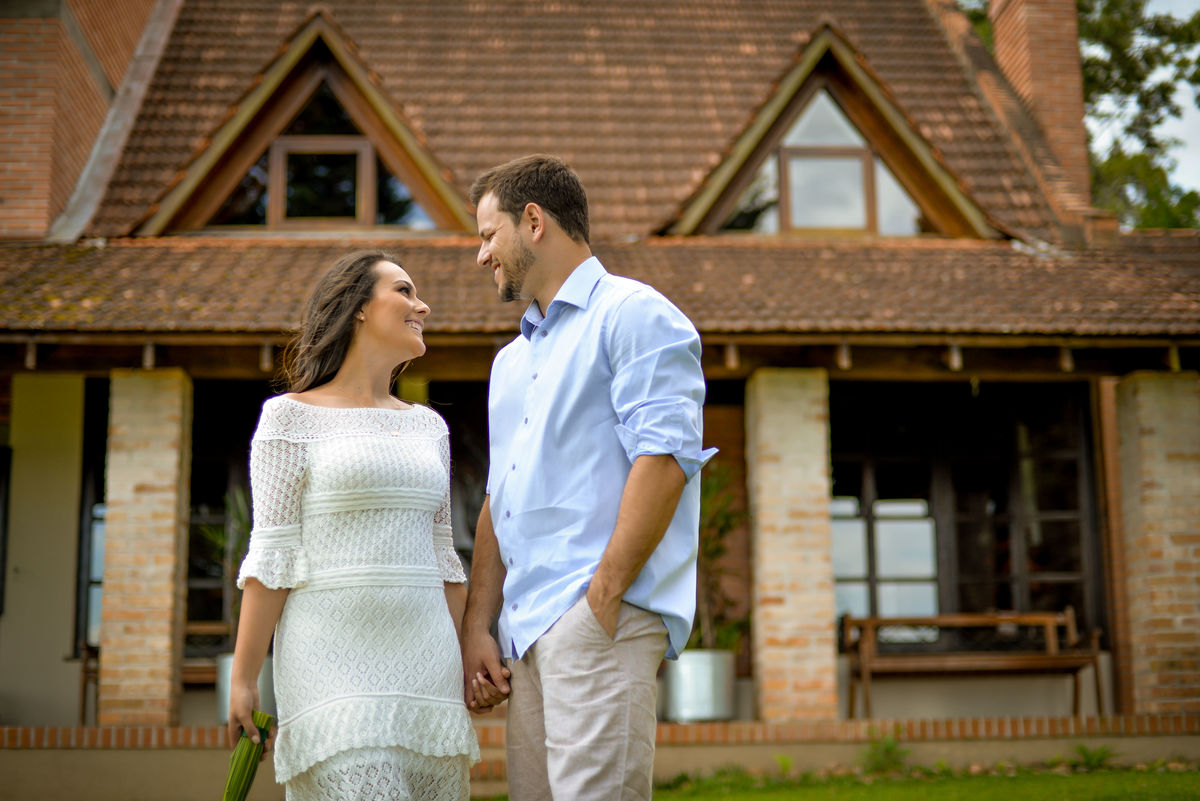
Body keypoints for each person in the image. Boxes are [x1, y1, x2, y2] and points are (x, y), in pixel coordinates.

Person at [460, 155, 715, 800]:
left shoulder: (635, 314)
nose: (481, 255)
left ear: (534, 222)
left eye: (489, 234)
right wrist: (478, 628)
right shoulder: (510, 362)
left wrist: (601, 600)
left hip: (597, 622)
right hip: (527, 638)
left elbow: (665, 461)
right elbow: (500, 498)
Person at [227, 250, 479, 801]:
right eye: (406, 291)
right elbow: (272, 556)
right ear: (359, 307)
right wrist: (244, 677)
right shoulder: (288, 418)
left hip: (426, 665)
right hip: (329, 662)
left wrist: (462, 656)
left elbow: (443, 559)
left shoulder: (429, 427)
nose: (423, 306)